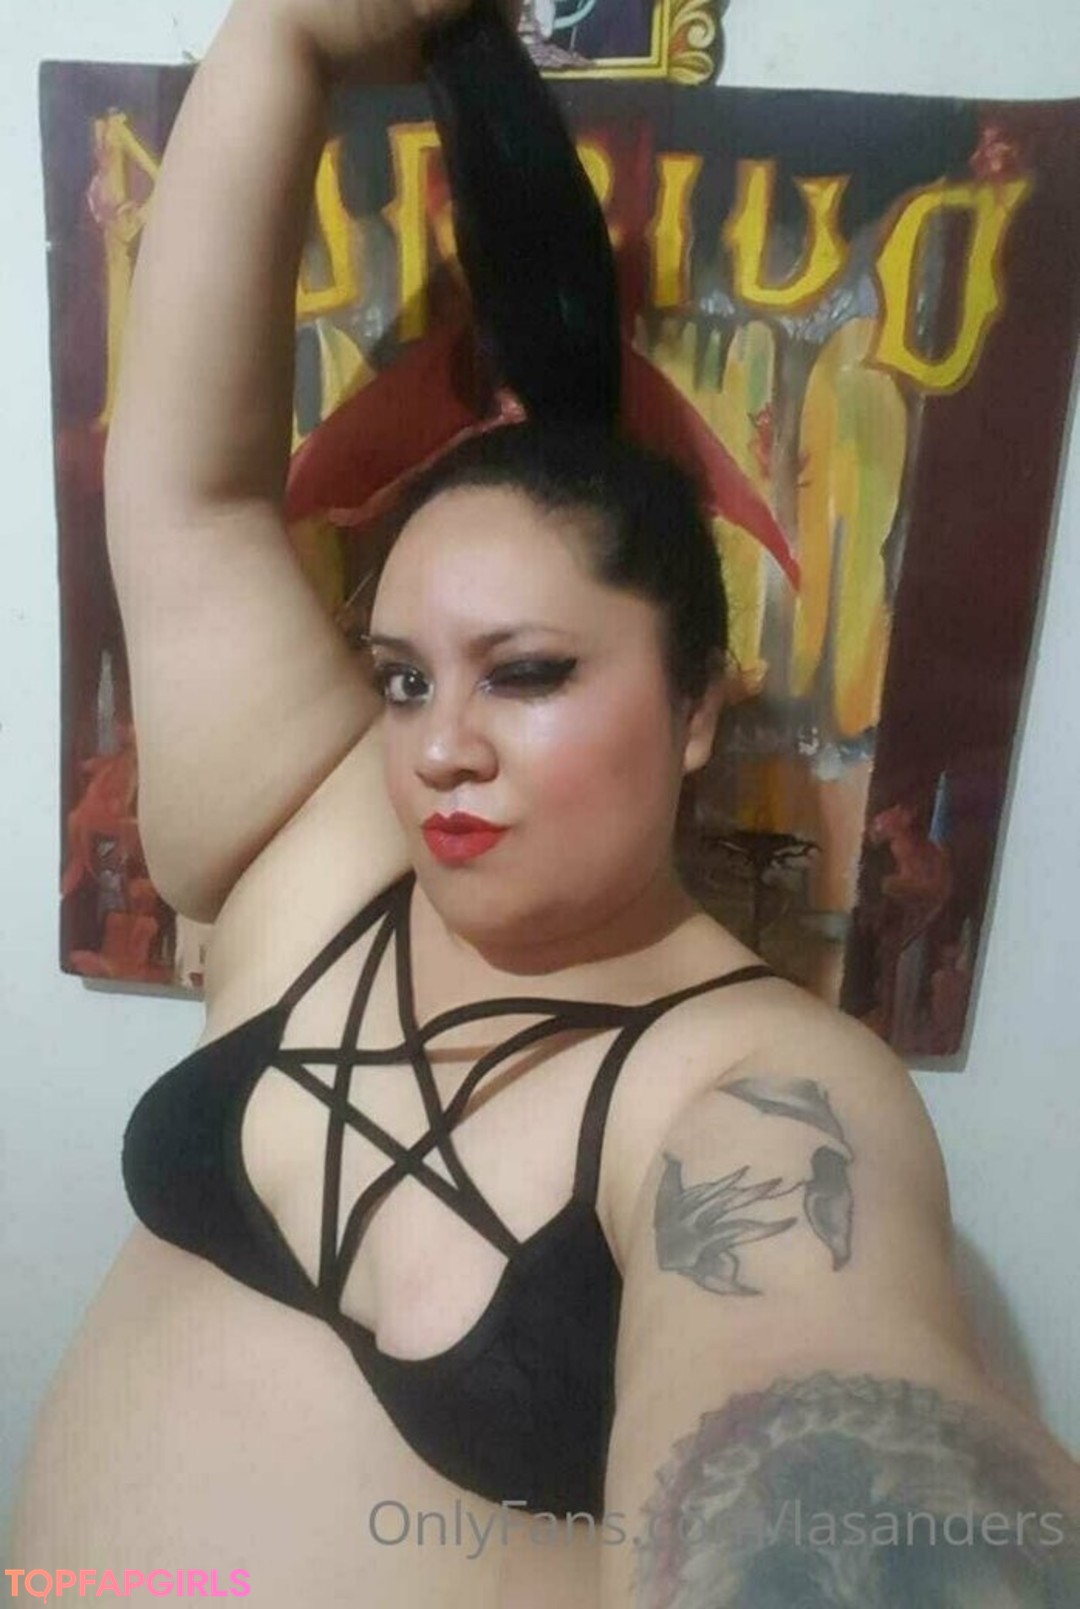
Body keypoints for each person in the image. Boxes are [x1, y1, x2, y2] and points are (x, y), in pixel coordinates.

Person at [13, 1, 1080, 1604]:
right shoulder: (323, 851)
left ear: (698, 702)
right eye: (402, 677)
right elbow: (190, 494)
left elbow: (837, 1419)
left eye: (524, 672)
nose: (441, 744)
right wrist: (289, 36)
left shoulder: (758, 1083)